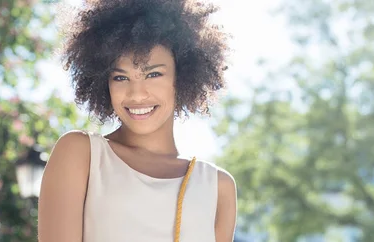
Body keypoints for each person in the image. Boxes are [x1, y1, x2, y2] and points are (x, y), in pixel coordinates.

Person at [37, 0, 236, 241]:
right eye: (121, 78)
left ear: (182, 76)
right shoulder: (82, 154)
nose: (137, 94)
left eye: (153, 74)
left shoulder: (218, 186)